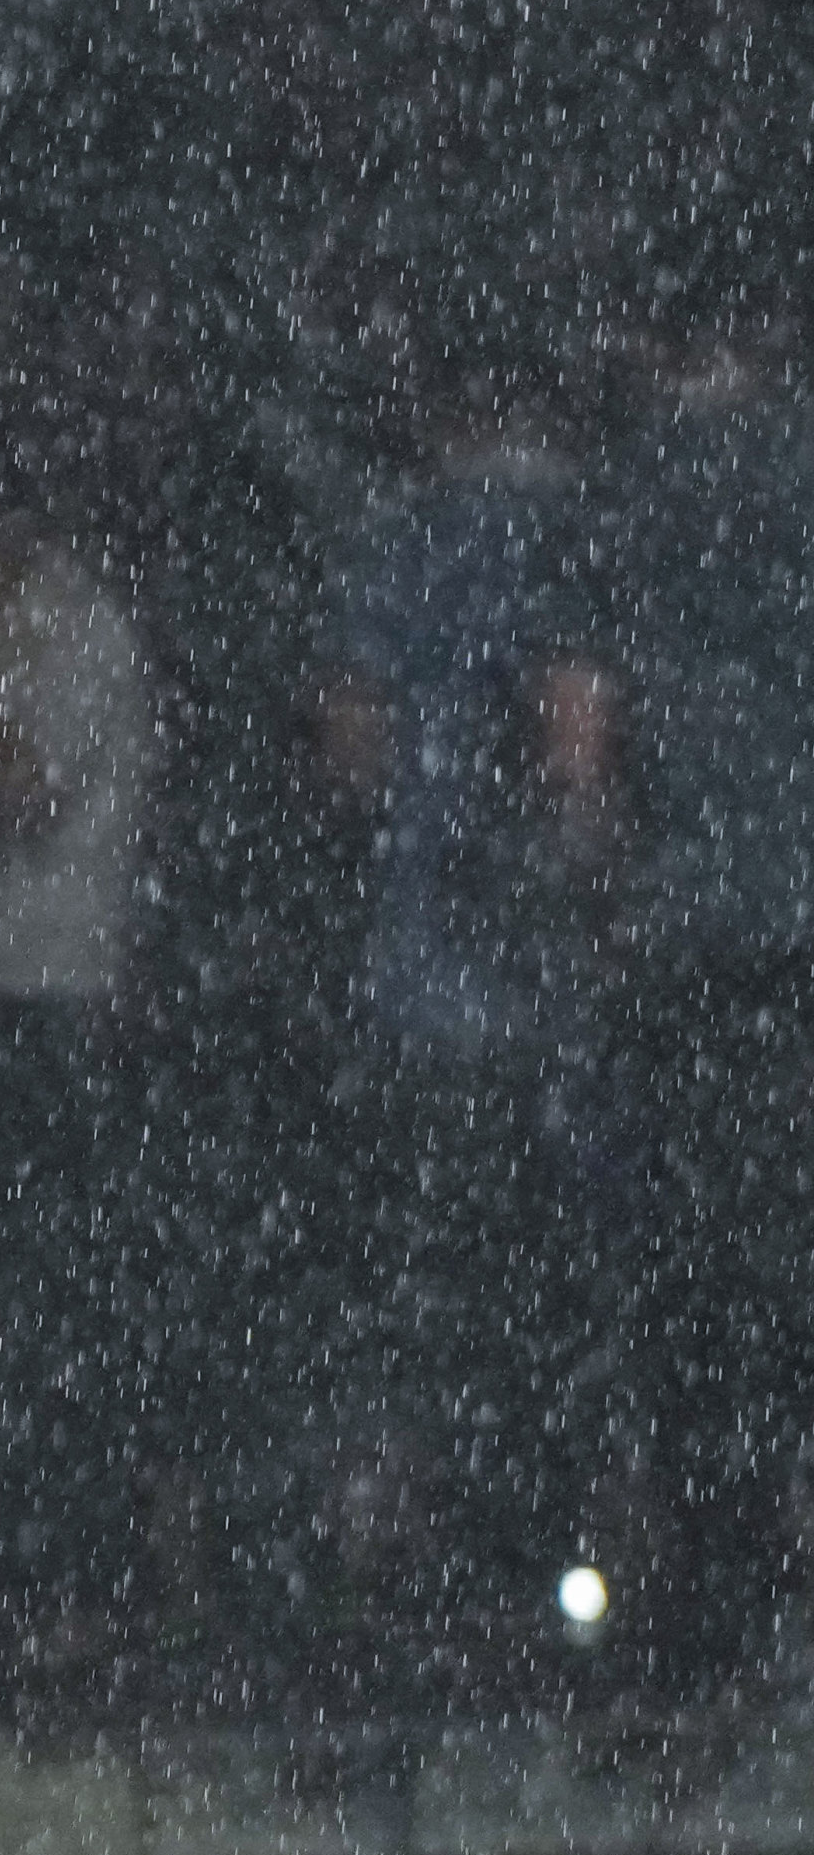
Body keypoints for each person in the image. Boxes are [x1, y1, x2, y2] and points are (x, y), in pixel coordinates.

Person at [313, 364, 615, 1648]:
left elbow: (348, 744)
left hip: (413, 976)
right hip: (543, 996)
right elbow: (575, 739)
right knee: (554, 1288)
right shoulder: (576, 530)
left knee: (423, 1280)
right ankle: (548, 1567)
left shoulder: (395, 534)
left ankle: (420, 1574)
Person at [568, 304, 814, 1692]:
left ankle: (720, 1614)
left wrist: (606, 883)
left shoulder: (639, 488)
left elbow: (580, 735)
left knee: (703, 1284)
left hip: (697, 947)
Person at [0, 475, 161, 1676]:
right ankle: (15, 1587)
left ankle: (80, 1583)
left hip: (45, 1000)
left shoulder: (73, 625)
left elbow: (27, 790)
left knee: (54, 1304)